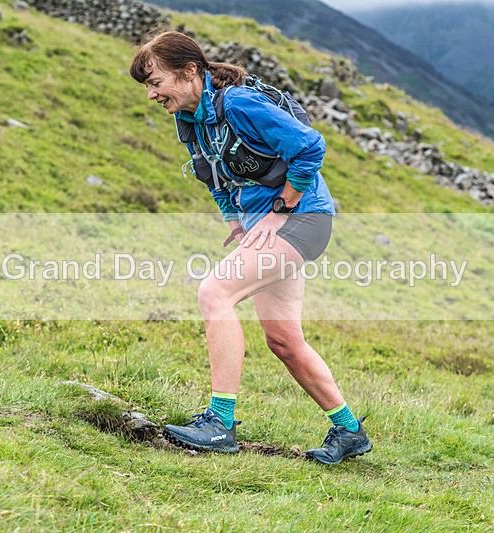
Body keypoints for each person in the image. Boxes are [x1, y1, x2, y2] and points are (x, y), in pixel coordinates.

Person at [129, 31, 372, 464]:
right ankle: (349, 430)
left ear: (189, 72)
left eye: (156, 82)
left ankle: (220, 423)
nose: (151, 94)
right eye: (147, 86)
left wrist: (281, 209)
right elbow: (214, 177)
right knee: (284, 341)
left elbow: (310, 147)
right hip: (268, 226)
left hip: (304, 218)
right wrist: (237, 223)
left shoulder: (239, 104)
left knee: (214, 293)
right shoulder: (189, 120)